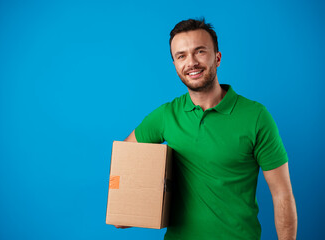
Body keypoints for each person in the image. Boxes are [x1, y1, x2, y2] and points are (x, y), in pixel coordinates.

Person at [116, 18, 297, 240]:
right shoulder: (166, 115)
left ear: (217, 58)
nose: (191, 62)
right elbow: (125, 160)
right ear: (174, 64)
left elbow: (282, 195)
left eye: (199, 52)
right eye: (181, 56)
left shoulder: (256, 116)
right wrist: (125, 208)